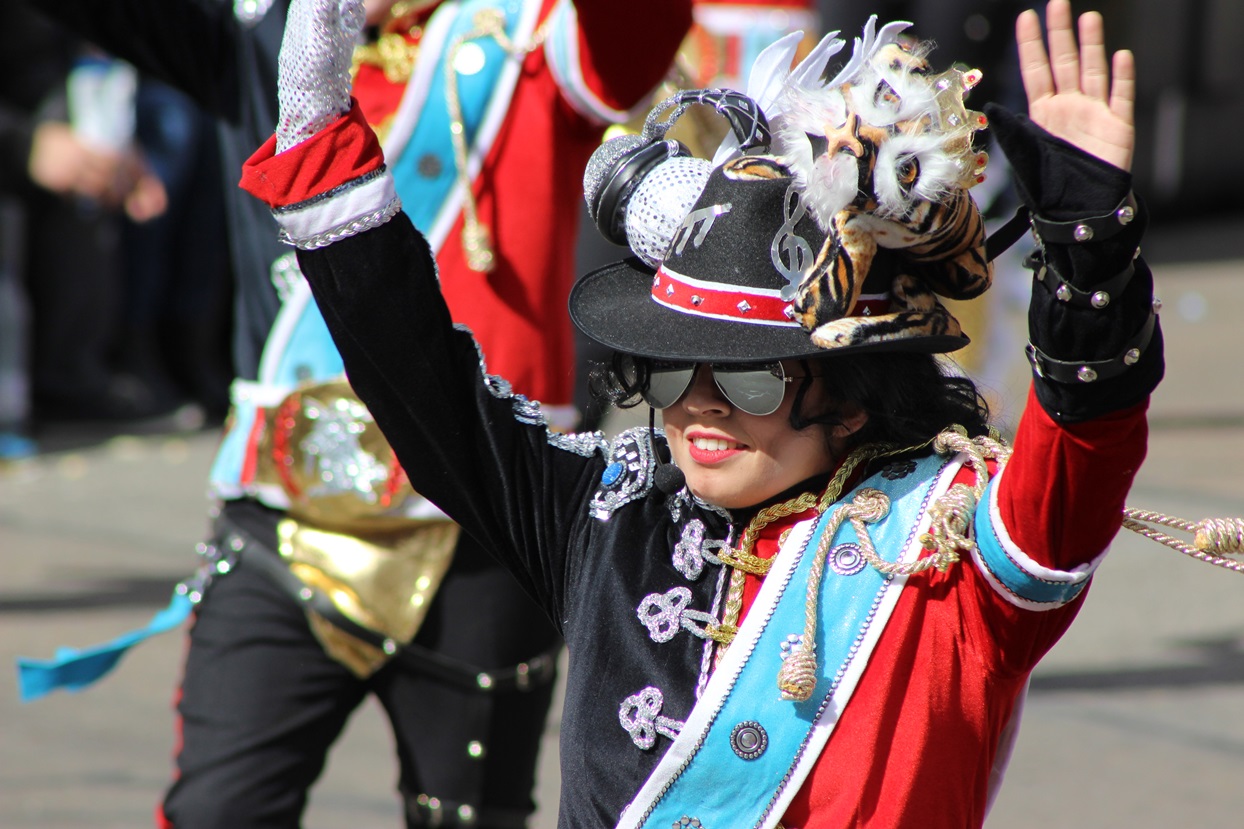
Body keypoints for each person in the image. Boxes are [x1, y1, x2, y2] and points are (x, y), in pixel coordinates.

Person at [244, 0, 1165, 825]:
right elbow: (426, 386)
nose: (698, 409)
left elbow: (1085, 440)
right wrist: (324, 144)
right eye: (672, 370)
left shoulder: (950, 546)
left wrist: (1091, 254)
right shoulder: (607, 512)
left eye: (752, 379)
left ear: (852, 396)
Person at [22, 1, 690, 827]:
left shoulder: (526, 33)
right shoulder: (261, 34)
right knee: (216, 809)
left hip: (481, 528)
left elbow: (637, 35)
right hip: (282, 520)